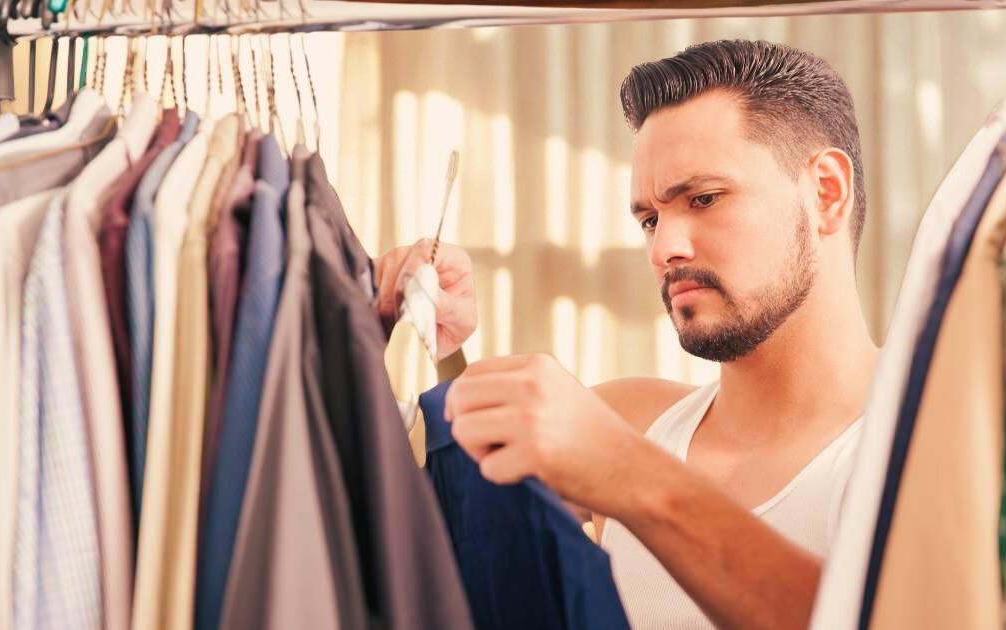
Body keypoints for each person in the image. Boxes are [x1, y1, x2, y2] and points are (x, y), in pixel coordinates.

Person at [376, 40, 879, 630]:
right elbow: (460, 543)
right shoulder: (630, 417)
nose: (665, 249)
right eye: (650, 219)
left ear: (826, 192)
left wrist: (631, 475)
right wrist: (445, 349)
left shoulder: (921, 441)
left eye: (704, 198)